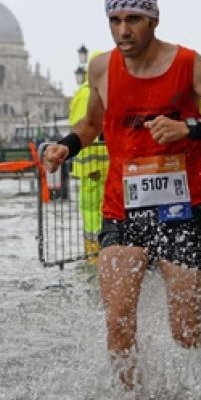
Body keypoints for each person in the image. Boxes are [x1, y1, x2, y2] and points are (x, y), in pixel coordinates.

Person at [42, 0, 201, 388]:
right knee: (119, 323)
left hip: (181, 209)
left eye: (133, 19)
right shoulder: (102, 67)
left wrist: (190, 130)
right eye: (115, 20)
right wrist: (66, 147)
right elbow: (91, 124)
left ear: (154, 20)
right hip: (122, 207)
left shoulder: (187, 64)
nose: (123, 30)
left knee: (185, 331)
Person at [67, 51, 109, 263]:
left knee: (92, 209)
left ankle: (94, 254)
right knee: (96, 209)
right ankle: (97, 254)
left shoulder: (83, 92)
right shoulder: (89, 94)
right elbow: (89, 130)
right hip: (95, 165)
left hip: (91, 166)